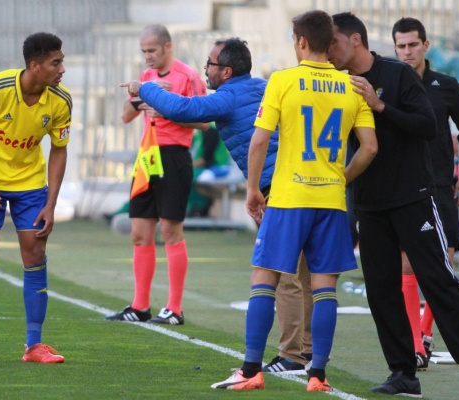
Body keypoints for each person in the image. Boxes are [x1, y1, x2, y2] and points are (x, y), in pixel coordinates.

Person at [122, 37, 314, 372]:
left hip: (278, 190)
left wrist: (145, 87)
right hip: (307, 184)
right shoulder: (266, 86)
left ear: (225, 71)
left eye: (210, 64)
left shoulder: (228, 96)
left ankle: (292, 356)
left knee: (281, 274)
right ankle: (307, 351)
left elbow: (184, 110)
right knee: (306, 273)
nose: (205, 70)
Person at [211, 10, 377, 391]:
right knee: (323, 289)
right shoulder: (352, 86)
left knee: (264, 280)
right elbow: (369, 147)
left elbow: (258, 140)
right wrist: (340, 179)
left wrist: (253, 190)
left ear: (301, 41)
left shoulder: (283, 80)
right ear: (329, 42)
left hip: (288, 196)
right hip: (331, 200)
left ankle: (251, 370)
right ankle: (316, 374)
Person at [329, 12, 459, 398]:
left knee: (438, 281)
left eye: (334, 43)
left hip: (414, 198)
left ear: (355, 41)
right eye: (403, 44)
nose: (329, 52)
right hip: (368, 203)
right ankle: (403, 372)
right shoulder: (336, 83)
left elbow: (428, 127)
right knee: (380, 289)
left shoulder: (398, 76)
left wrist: (380, 108)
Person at [0, 32, 70, 364]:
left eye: (62, 61)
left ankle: (34, 346)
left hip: (31, 184)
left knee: (35, 251)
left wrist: (51, 202)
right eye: (56, 62)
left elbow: (59, 150)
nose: (62, 68)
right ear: (35, 66)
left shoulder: (60, 101)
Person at [392, 17, 459, 371]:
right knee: (407, 263)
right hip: (402, 188)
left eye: (413, 44)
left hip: (441, 185)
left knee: (442, 265)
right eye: (400, 45)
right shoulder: (388, 85)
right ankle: (416, 344)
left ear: (426, 45)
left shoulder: (445, 85)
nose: (407, 51)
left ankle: (426, 335)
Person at [105, 24, 207, 325]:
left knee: (171, 231)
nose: (147, 56)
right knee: (139, 233)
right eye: (144, 51)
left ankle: (174, 308)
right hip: (146, 158)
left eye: (152, 50)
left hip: (174, 156)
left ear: (167, 47)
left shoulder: (187, 76)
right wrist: (142, 98)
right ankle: (140, 306)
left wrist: (169, 110)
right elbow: (125, 115)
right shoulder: (146, 78)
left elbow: (204, 121)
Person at [187, 123, 231, 217]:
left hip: (219, 166)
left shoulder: (211, 130)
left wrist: (187, 165)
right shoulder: (199, 131)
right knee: (186, 173)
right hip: (207, 166)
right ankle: (194, 207)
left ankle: (200, 207)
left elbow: (207, 159)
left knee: (189, 175)